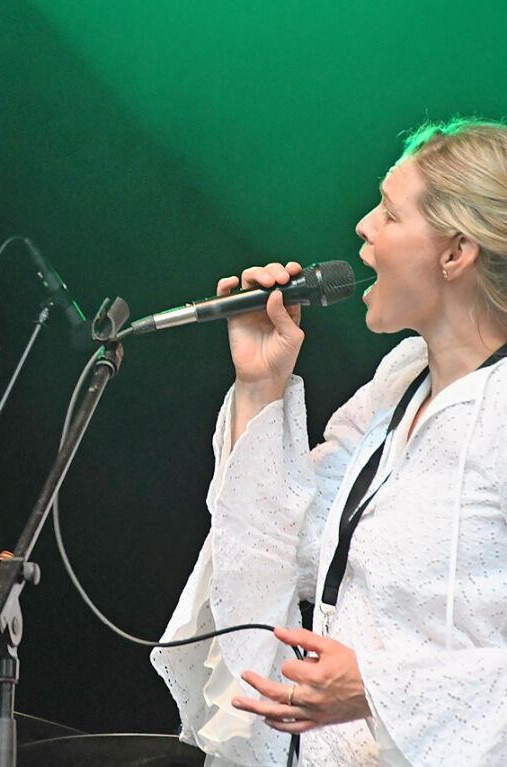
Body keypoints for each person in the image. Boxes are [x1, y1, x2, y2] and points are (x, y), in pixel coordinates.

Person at [150, 118, 507, 766]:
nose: (363, 226)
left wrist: (378, 686)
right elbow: (277, 548)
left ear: (455, 252)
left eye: (390, 214)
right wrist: (261, 383)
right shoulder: (396, 383)